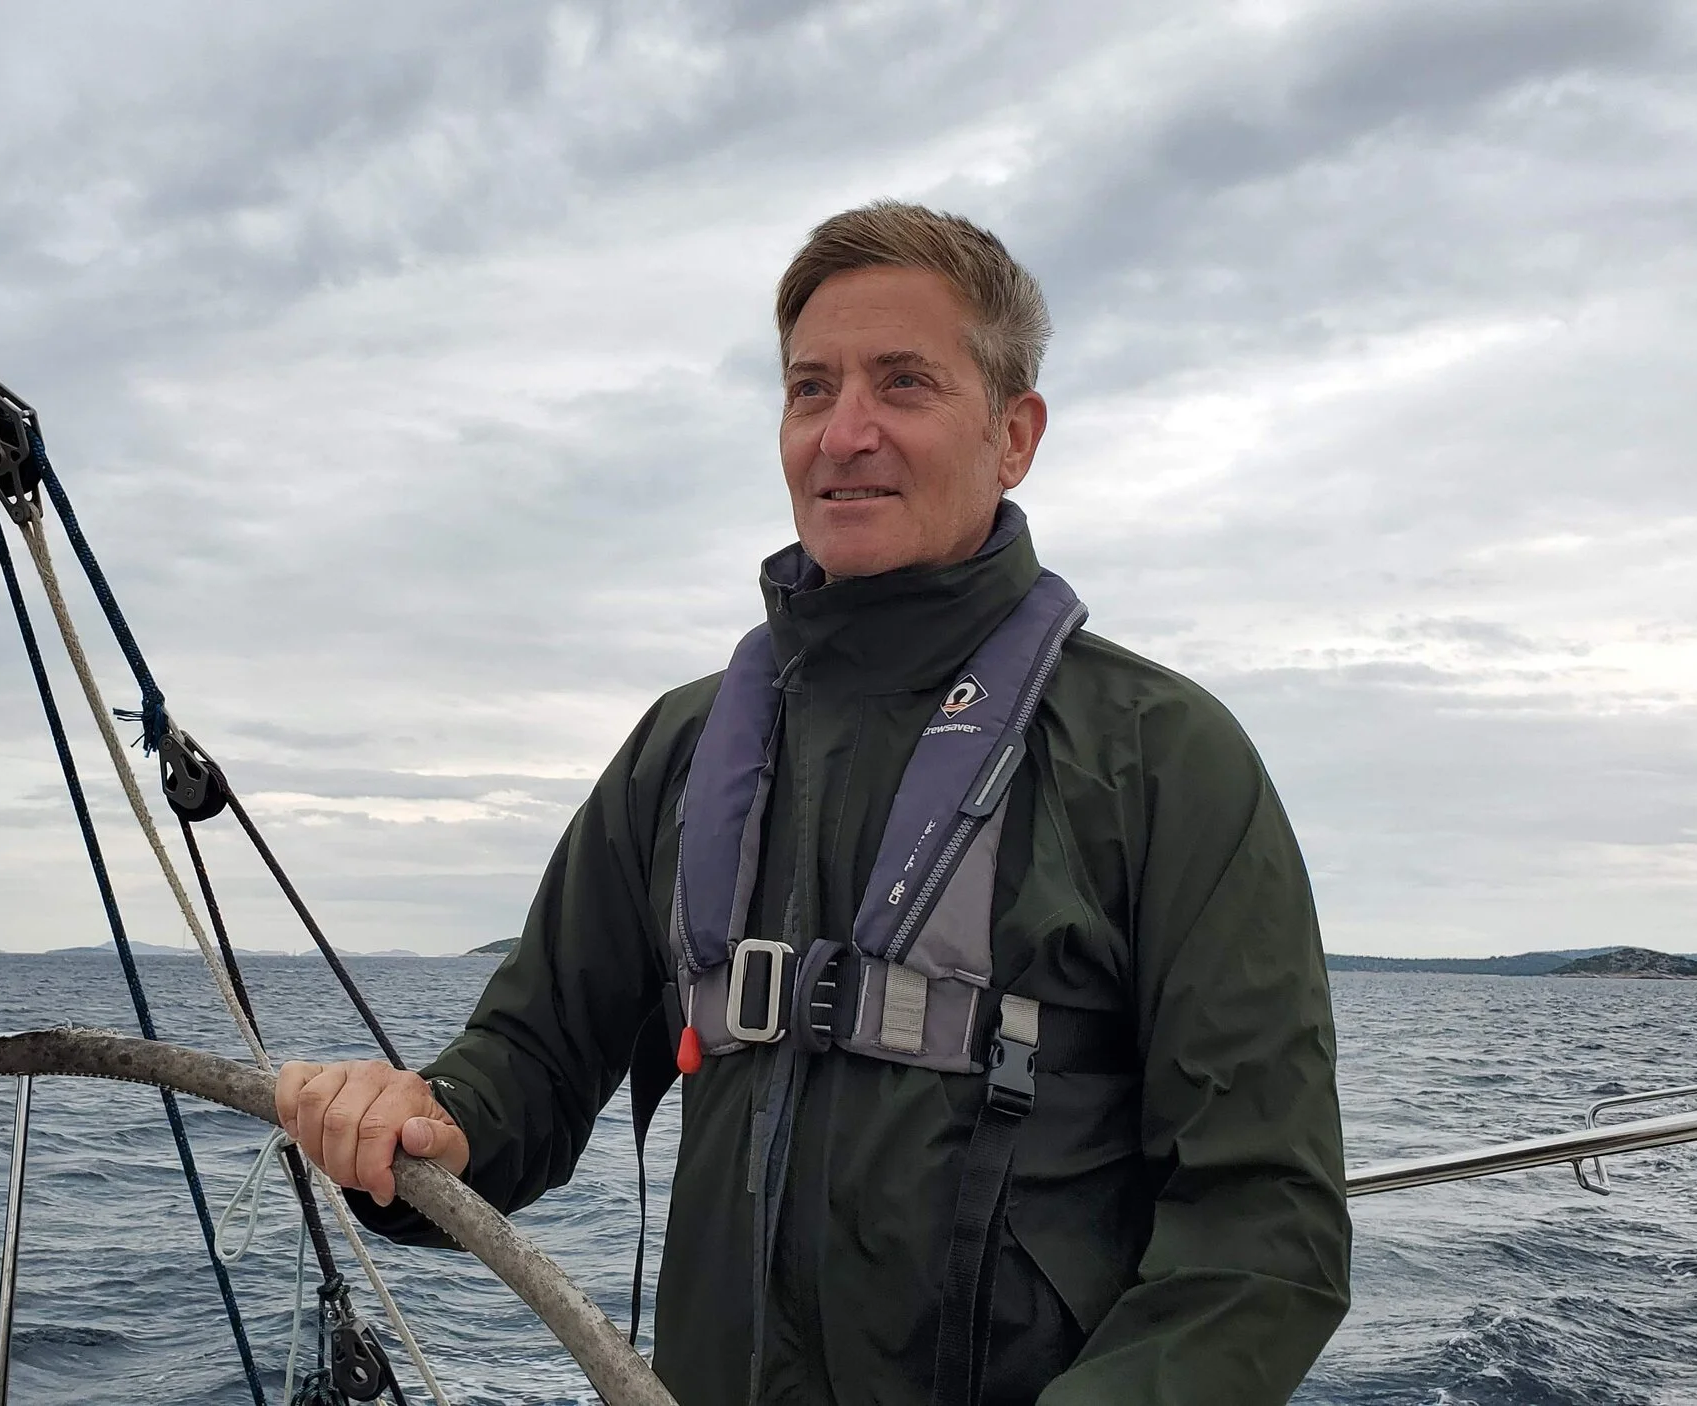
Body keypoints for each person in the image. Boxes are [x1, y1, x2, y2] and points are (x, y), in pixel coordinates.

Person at [277, 201, 1351, 1406]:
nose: (845, 433)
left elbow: (1265, 1226)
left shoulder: (1160, 757)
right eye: (809, 389)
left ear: (1013, 434)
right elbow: (529, 1059)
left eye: (903, 383)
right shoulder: (682, 749)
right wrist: (422, 1123)